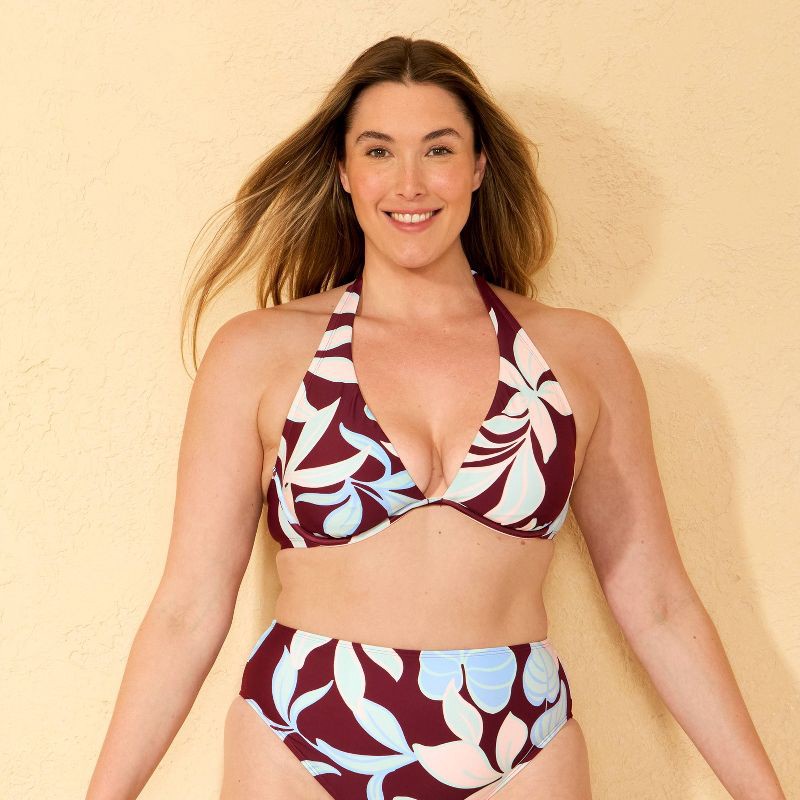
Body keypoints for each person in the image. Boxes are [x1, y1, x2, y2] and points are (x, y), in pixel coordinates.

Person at [86, 36, 786, 800]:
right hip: (302, 739)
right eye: (379, 151)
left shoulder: (580, 354)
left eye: (439, 149)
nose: (410, 183)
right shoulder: (259, 353)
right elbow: (187, 611)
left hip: (519, 745)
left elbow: (657, 603)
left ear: (479, 166)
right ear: (344, 171)